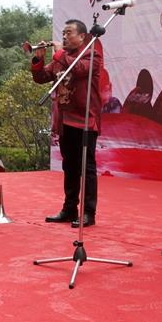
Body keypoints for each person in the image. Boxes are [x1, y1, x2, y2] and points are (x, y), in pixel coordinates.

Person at [30, 19, 103, 228]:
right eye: (63, 33)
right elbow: (41, 77)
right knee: (69, 166)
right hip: (65, 120)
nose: (64, 36)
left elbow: (79, 69)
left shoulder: (91, 54)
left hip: (84, 119)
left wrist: (59, 53)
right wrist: (38, 58)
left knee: (86, 168)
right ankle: (69, 208)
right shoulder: (60, 59)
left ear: (82, 36)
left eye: (69, 33)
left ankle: (88, 212)